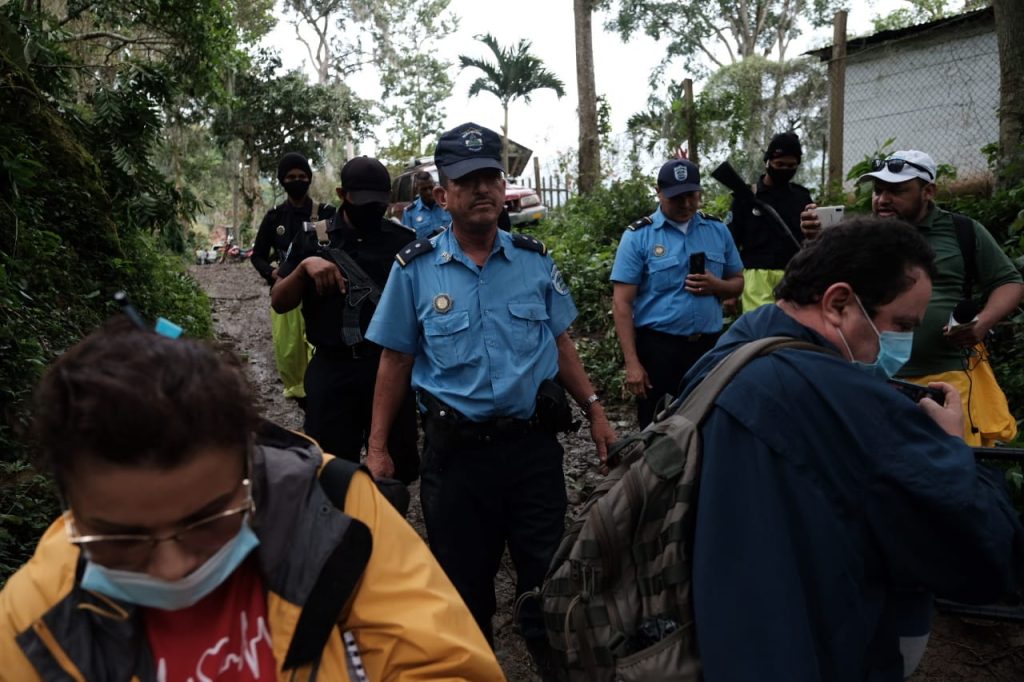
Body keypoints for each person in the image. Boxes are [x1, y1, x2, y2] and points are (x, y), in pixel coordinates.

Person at [0, 319, 504, 680]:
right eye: (121, 538)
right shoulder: (35, 619)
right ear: (73, 508)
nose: (173, 566)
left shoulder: (334, 511)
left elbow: (441, 664)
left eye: (207, 521)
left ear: (252, 470)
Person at [676, 217, 1024, 681]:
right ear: (839, 303)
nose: (903, 343)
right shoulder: (837, 400)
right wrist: (950, 446)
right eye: (901, 324)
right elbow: (983, 549)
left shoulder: (732, 352)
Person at [364, 122, 616, 675]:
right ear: (443, 194)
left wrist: (596, 409)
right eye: (467, 180)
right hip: (456, 460)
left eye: (491, 178)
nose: (482, 190)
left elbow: (560, 340)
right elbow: (396, 359)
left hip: (531, 455)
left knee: (550, 583)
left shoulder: (533, 261)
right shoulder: (415, 270)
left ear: (504, 188)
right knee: (462, 591)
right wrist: (378, 447)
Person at [801, 150, 1024, 446]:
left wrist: (982, 322)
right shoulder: (861, 236)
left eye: (896, 191)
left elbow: (1009, 282)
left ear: (928, 191)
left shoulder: (962, 232)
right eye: (878, 190)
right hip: (872, 380)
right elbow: (816, 290)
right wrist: (815, 242)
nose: (882, 199)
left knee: (950, 466)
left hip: (946, 380)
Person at [271, 156, 420, 484]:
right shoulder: (313, 239)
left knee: (398, 467)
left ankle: (385, 529)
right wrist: (303, 267)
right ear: (342, 194)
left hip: (388, 368)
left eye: (379, 203)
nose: (372, 209)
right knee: (331, 470)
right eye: (364, 201)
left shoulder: (403, 241)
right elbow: (280, 301)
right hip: (332, 368)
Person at [611, 158, 745, 428]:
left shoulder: (717, 230)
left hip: (708, 347)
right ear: (659, 192)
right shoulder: (639, 236)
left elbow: (738, 281)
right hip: (659, 349)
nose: (686, 205)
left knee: (707, 421)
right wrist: (633, 363)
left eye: (691, 196)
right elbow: (622, 303)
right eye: (677, 198)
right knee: (654, 426)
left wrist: (717, 287)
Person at [251, 152, 336, 407]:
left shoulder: (323, 213)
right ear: (282, 181)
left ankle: (322, 397)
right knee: (290, 354)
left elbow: (336, 248)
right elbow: (257, 256)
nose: (297, 180)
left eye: (302, 176)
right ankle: (303, 400)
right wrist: (273, 273)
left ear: (309, 179)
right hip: (287, 294)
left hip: (320, 294)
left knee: (320, 350)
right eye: (291, 177)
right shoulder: (274, 217)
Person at [726, 131, 813, 312]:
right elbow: (731, 243)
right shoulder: (747, 196)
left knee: (792, 333)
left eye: (791, 166)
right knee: (761, 332)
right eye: (779, 164)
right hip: (756, 277)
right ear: (768, 162)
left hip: (793, 275)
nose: (785, 170)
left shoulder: (802, 197)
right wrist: (730, 290)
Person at [401, 169, 451, 239]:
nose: (428, 192)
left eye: (431, 187)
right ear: (417, 189)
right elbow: (407, 239)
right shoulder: (409, 212)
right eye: (424, 189)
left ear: (435, 185)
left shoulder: (448, 204)